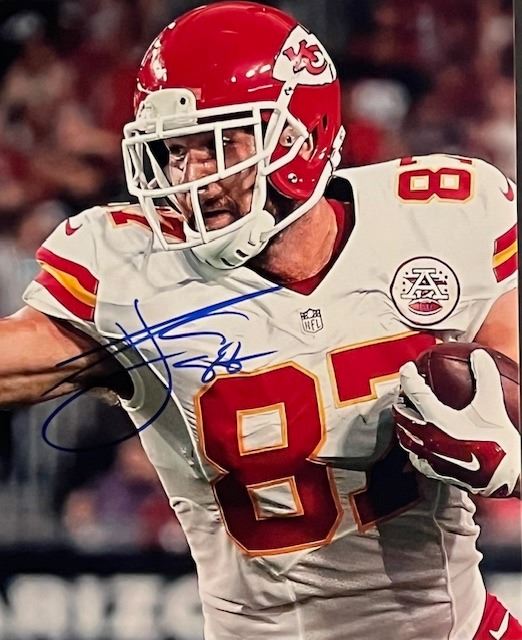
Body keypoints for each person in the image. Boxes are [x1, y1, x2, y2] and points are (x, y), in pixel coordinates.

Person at [0, 2, 520, 638]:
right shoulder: (134, 267)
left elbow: (508, 387)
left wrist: (509, 453)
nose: (191, 179)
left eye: (217, 145)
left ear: (299, 134)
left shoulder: (442, 216)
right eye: (173, 151)